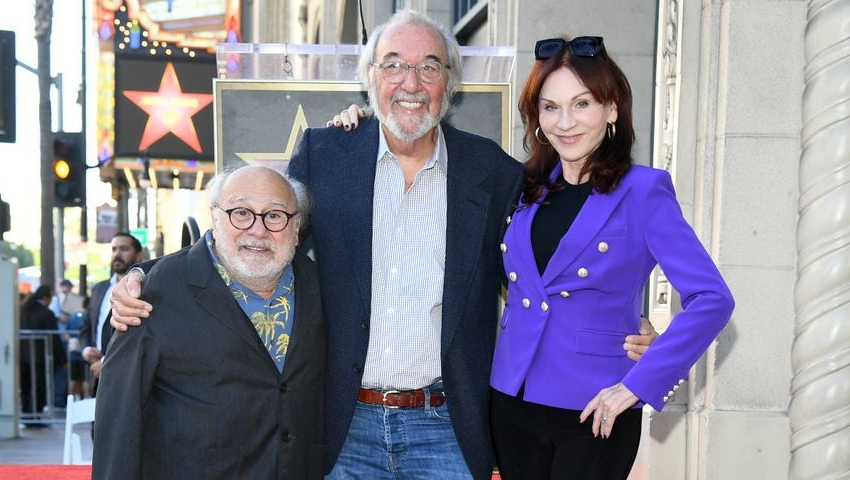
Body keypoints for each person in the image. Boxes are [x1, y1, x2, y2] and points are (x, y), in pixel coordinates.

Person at [109, 11, 656, 478]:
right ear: (371, 78)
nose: (410, 81)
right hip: (343, 428)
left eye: (428, 67)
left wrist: (627, 320)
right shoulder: (326, 154)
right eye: (393, 64)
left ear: (450, 82)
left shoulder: (492, 172)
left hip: (447, 429)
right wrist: (144, 276)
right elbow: (258, 241)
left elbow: (545, 267)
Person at [486, 36, 735, 479]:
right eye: (550, 106)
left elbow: (713, 299)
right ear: (536, 116)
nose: (565, 122)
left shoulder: (644, 191)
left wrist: (639, 385)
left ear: (612, 108)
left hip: (596, 410)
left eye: (582, 104)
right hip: (511, 401)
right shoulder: (522, 187)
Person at [92, 165, 326, 479]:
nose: (258, 230)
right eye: (241, 212)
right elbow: (119, 422)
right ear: (215, 218)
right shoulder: (152, 294)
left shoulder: (321, 287)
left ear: (296, 228)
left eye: (275, 215)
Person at [80, 232, 143, 394]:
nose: (117, 254)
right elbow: (87, 325)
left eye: (123, 249)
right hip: (96, 372)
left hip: (128, 376)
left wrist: (106, 362)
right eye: (114, 249)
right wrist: (87, 349)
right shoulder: (98, 289)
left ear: (138, 255)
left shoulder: (143, 289)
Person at [19, 285, 67, 425]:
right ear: (46, 297)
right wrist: (62, 358)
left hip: (24, 354)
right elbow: (55, 338)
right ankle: (36, 414)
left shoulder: (23, 310)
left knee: (26, 384)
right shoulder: (47, 314)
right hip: (41, 356)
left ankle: (27, 413)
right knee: (40, 385)